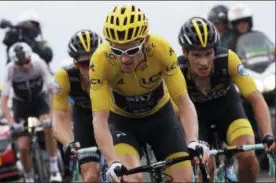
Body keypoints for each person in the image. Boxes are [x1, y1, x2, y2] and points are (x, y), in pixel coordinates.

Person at [89, 4, 209, 182]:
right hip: (123, 124)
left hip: (161, 118)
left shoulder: (161, 49)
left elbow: (184, 102)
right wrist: (112, 161)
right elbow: (99, 119)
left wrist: (192, 140)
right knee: (130, 178)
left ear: (144, 41)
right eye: (117, 50)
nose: (124, 59)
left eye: (131, 50)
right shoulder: (100, 60)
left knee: (184, 179)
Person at [176, 16, 276, 183]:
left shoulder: (228, 58)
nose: (204, 62)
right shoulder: (177, 69)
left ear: (215, 49)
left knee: (248, 157)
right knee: (204, 167)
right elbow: (174, 110)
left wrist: (268, 135)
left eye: (208, 53)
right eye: (196, 55)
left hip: (229, 113)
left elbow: (256, 98)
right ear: (185, 52)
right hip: (197, 121)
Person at [0, 42, 62, 182]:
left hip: (39, 100)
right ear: (14, 63)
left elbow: (53, 91)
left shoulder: (38, 63)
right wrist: (11, 123)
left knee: (48, 126)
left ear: (30, 57)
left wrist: (51, 115)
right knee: (22, 145)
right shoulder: (10, 69)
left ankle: (54, 169)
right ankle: (28, 176)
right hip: (20, 105)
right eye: (20, 64)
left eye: (26, 62)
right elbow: (4, 100)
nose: (25, 66)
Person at [52, 30, 103, 182]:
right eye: (84, 64)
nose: (90, 68)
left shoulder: (112, 67)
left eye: (94, 61)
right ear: (75, 63)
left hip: (111, 117)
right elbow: (58, 118)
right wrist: (69, 143)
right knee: (91, 176)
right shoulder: (65, 76)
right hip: (84, 118)